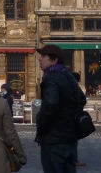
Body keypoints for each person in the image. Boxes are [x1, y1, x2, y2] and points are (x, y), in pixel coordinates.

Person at [35, 44, 86, 173]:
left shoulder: (52, 78)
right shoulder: (67, 75)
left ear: (54, 60)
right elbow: (82, 99)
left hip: (54, 139)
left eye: (43, 56)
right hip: (70, 138)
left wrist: (40, 123)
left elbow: (50, 105)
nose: (39, 59)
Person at [70, 73, 86, 167]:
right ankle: (73, 159)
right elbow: (83, 100)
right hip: (73, 117)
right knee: (73, 140)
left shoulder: (67, 86)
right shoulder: (75, 87)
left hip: (68, 117)